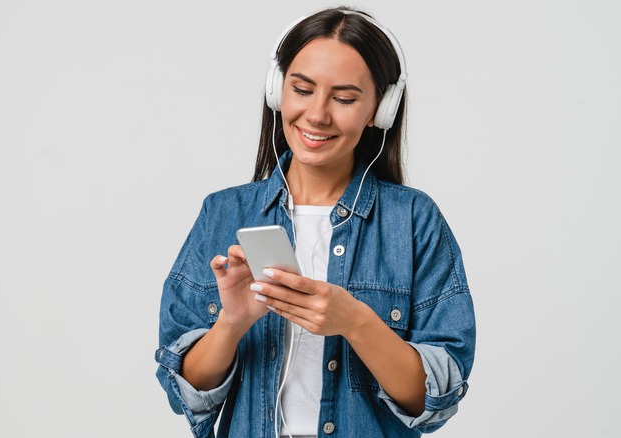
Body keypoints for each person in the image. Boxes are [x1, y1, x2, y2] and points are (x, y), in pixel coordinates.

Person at [155, 6, 476, 438]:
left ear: (379, 111)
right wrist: (232, 323)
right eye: (302, 89)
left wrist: (355, 322)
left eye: (344, 99)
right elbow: (187, 392)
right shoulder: (223, 213)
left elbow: (434, 399)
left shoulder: (414, 221)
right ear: (276, 90)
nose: (317, 115)